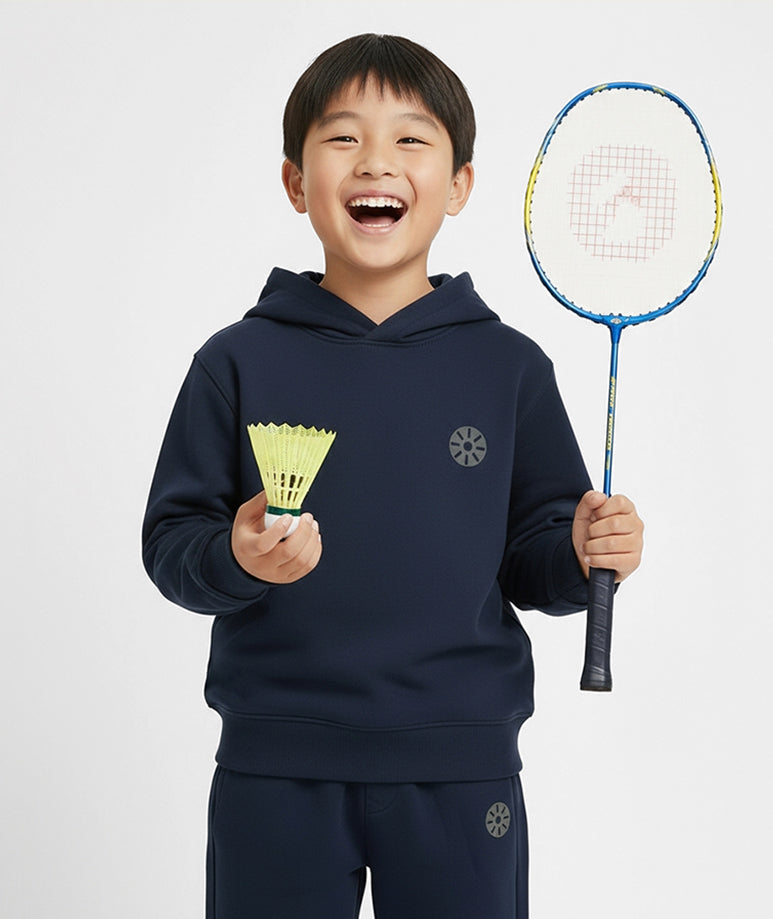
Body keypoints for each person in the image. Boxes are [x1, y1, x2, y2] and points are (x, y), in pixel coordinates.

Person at [142, 33, 644, 919]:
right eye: (342, 138)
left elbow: (536, 564)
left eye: (410, 139)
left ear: (459, 185)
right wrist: (238, 556)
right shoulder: (235, 361)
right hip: (276, 766)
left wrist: (577, 549)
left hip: (461, 771)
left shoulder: (508, 368)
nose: (376, 160)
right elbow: (172, 543)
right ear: (296, 182)